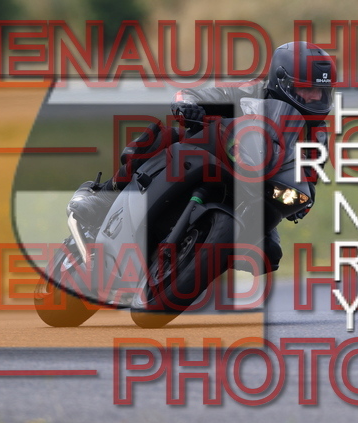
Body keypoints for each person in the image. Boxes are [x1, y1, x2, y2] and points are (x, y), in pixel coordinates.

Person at [67, 41, 335, 272]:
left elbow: (309, 179)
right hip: (219, 153)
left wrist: (302, 202)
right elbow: (200, 94)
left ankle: (201, 263)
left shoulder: (318, 136)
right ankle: (107, 193)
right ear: (282, 81)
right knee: (162, 136)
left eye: (321, 92)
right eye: (307, 89)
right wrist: (188, 105)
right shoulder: (251, 91)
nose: (315, 97)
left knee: (269, 254)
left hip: (258, 190)